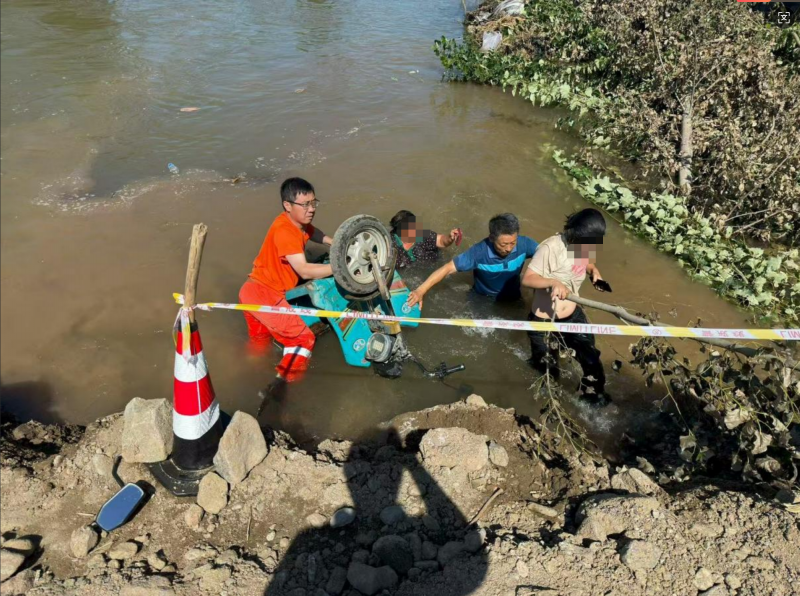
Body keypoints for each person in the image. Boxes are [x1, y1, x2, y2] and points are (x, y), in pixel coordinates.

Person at [239, 177, 333, 396]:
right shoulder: (286, 232)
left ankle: (248, 376)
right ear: (287, 205)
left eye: (313, 202)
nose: (311, 209)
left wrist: (333, 241)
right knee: (304, 338)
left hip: (249, 291)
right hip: (266, 295)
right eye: (305, 205)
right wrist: (338, 268)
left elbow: (312, 231)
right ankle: (284, 387)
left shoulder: (293, 223)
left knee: (260, 343)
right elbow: (304, 271)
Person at [521, 208, 610, 404]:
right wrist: (553, 282)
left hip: (573, 316)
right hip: (544, 321)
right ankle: (552, 405)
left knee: (592, 362)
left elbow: (586, 263)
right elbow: (528, 279)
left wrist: (594, 272)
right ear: (576, 234)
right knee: (549, 372)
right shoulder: (550, 248)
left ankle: (592, 401)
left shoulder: (583, 245)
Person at [406, 213, 538, 307]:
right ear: (491, 238)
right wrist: (420, 290)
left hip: (513, 296)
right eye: (503, 245)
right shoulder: (479, 252)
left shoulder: (524, 244)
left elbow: (546, 255)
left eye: (512, 243)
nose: (509, 248)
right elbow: (447, 268)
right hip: (483, 299)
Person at [389, 210, 460, 269]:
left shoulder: (423, 235)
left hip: (434, 266)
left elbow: (441, 241)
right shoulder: (390, 241)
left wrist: (450, 238)